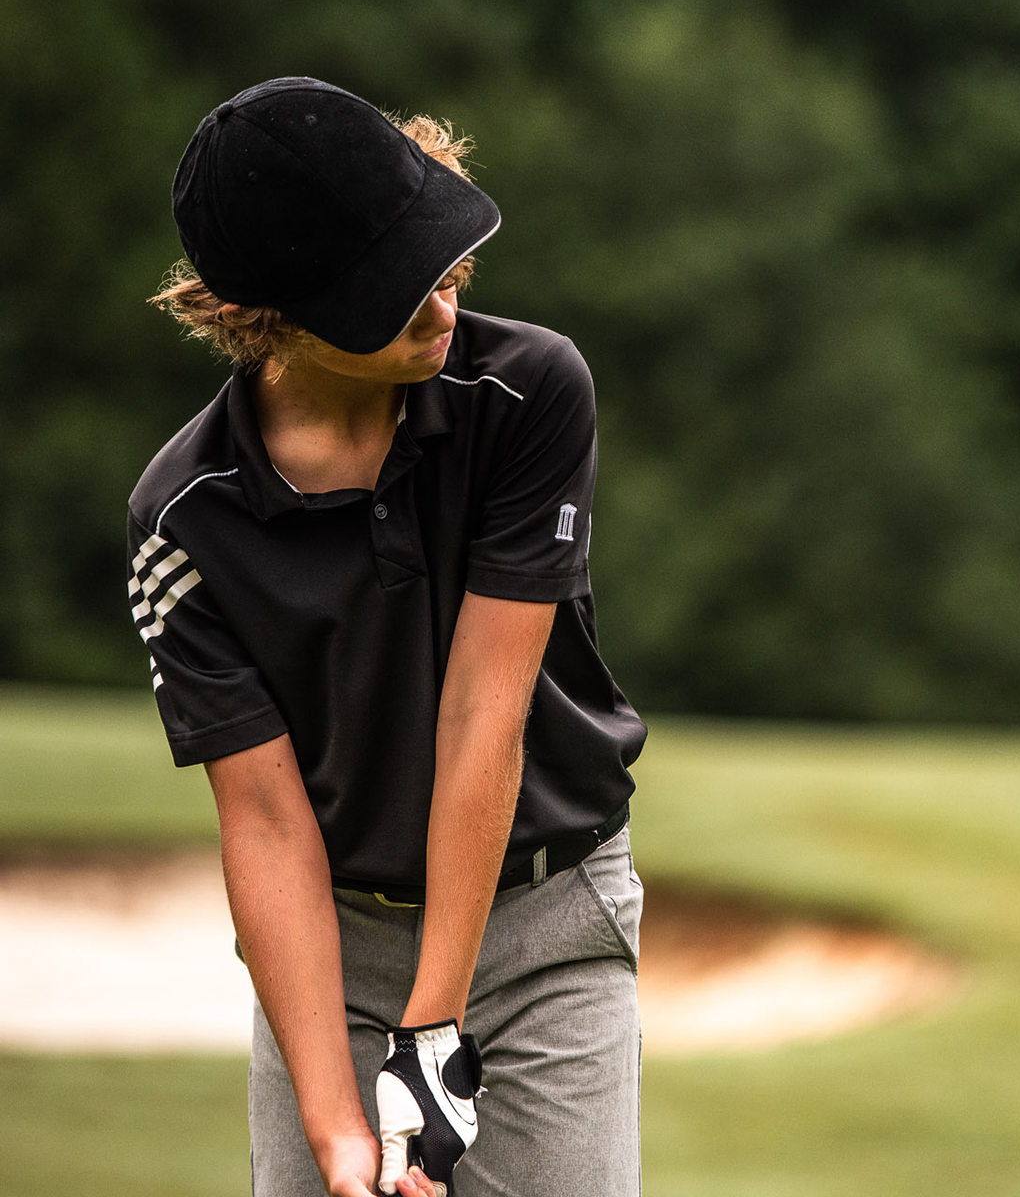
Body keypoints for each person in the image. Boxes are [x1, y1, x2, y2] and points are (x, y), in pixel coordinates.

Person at [133, 78, 646, 1197]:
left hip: (546, 926)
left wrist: (433, 1036)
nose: (439, 309)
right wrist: (333, 1121)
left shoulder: (528, 392)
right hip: (333, 958)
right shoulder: (186, 522)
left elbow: (481, 715)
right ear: (262, 315)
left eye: (438, 266)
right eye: (388, 294)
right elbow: (265, 823)